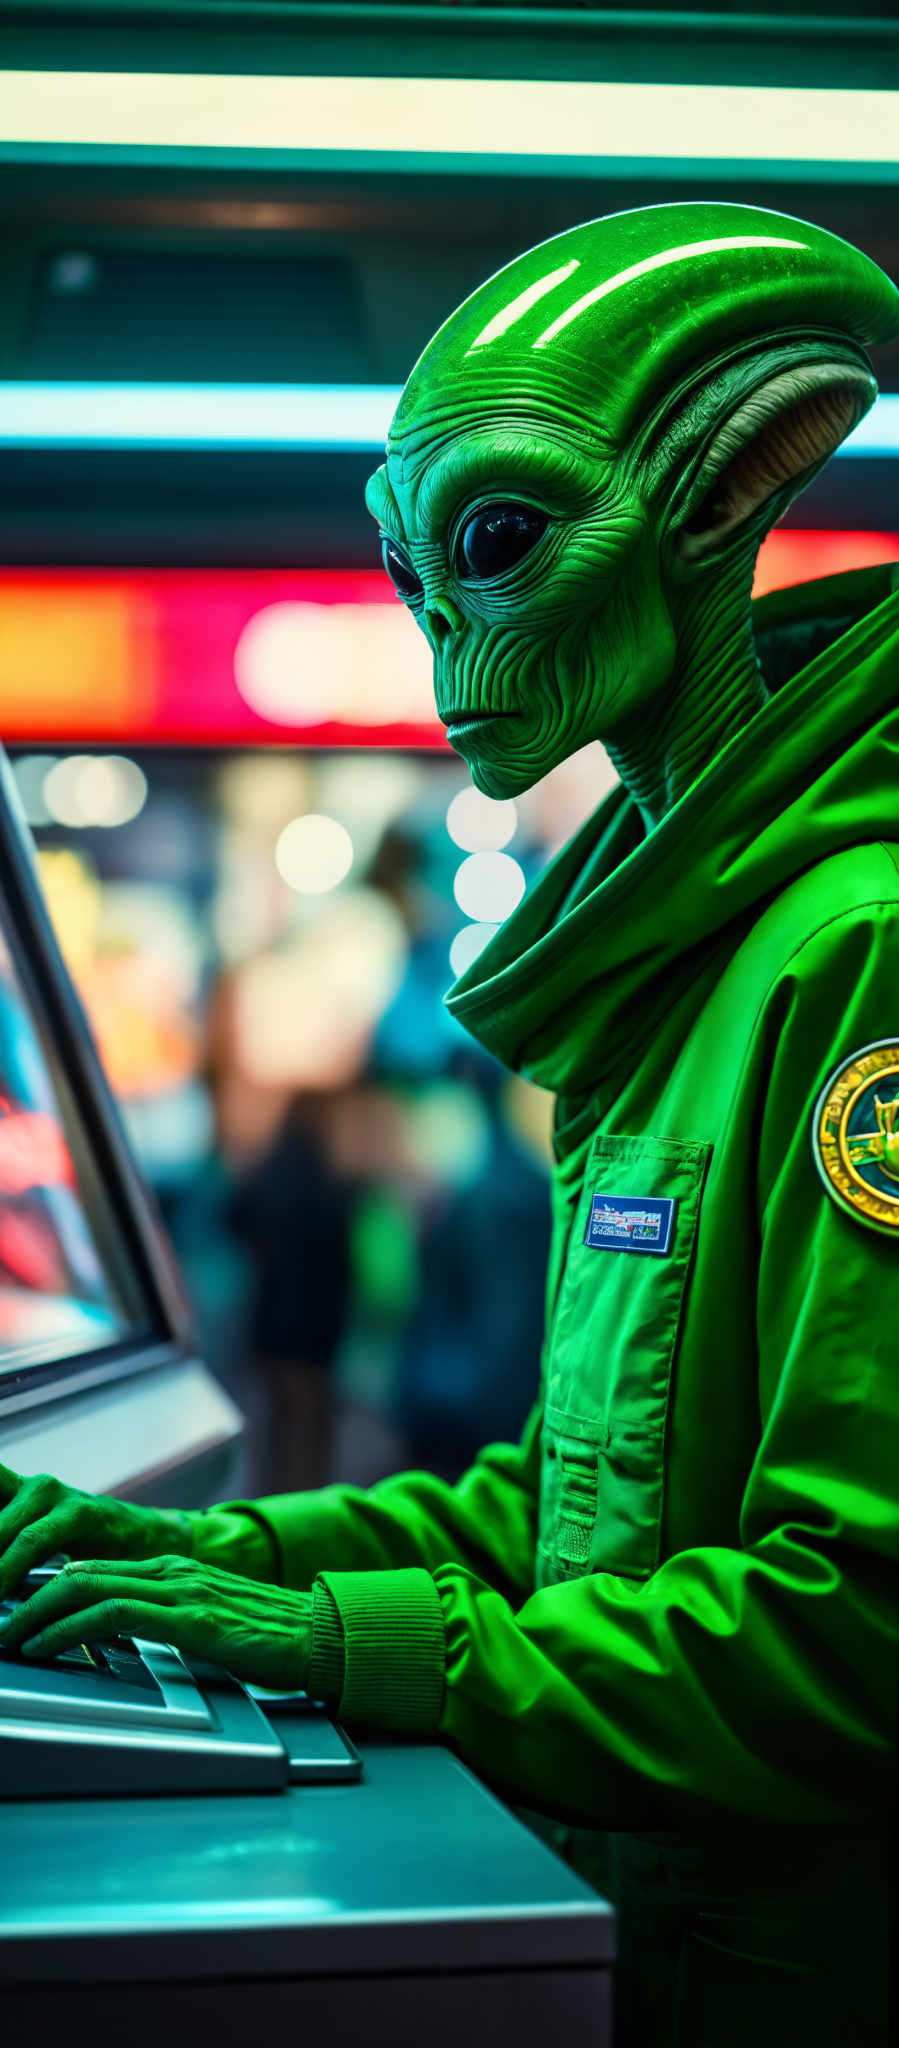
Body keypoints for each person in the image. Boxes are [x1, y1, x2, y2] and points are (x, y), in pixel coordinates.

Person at [2, 201, 898, 2047]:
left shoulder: (856, 950)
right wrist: (237, 1568)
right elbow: (593, 1504)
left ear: (722, 496)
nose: (441, 642)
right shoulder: (686, 952)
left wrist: (351, 1646)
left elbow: (856, 1630)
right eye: (417, 574)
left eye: (498, 543)